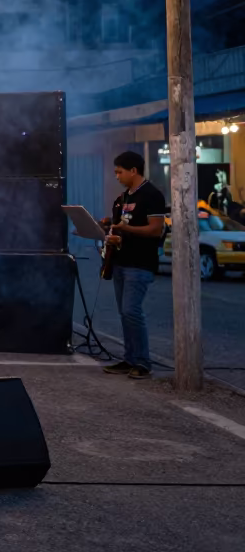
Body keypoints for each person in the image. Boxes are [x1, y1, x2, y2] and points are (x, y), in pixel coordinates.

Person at [100, 151, 166, 380]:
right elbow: (118, 226)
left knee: (131, 311)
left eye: (119, 171)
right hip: (119, 261)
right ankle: (130, 359)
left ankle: (143, 362)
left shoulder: (152, 195)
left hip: (140, 263)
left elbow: (156, 229)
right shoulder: (122, 198)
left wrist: (126, 230)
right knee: (125, 313)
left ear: (133, 171)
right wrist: (107, 229)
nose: (116, 176)